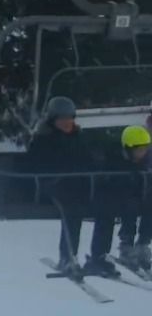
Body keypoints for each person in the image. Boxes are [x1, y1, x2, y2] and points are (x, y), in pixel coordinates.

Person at [27, 96, 117, 277]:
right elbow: (35, 165)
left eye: (70, 118)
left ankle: (98, 255)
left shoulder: (79, 138)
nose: (67, 123)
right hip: (54, 186)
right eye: (62, 119)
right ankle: (67, 257)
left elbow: (88, 160)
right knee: (73, 210)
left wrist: (98, 169)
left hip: (80, 185)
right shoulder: (43, 139)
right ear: (53, 120)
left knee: (107, 206)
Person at [114, 125, 152, 270]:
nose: (142, 153)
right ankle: (126, 245)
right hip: (126, 197)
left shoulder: (148, 162)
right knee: (130, 208)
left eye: (144, 149)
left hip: (144, 196)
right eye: (138, 150)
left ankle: (143, 244)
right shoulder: (120, 163)